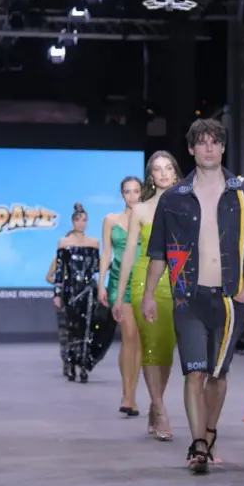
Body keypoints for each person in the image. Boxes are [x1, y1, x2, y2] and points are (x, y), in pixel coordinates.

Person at [142, 119, 244, 474]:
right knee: (194, 372)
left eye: (215, 141)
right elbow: (159, 253)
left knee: (218, 374)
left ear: (223, 147)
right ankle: (198, 444)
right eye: (202, 141)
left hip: (229, 298)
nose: (209, 147)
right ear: (191, 148)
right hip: (187, 297)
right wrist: (149, 294)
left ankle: (209, 433)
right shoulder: (174, 198)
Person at [113, 152, 182, 441]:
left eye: (168, 168)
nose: (163, 173)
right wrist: (120, 296)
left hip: (178, 280)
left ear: (175, 172)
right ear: (150, 176)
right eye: (157, 169)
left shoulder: (188, 205)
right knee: (152, 343)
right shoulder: (140, 210)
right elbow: (129, 253)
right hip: (145, 280)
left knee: (166, 346)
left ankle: (156, 403)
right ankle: (160, 407)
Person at [98, 176, 144, 417]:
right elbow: (106, 253)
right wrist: (101, 284)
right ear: (122, 194)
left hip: (142, 282)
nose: (132, 196)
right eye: (128, 191)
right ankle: (127, 394)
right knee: (129, 335)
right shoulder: (111, 220)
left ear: (142, 193)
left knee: (137, 340)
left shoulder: (147, 220)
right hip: (118, 282)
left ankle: (132, 395)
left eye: (136, 191)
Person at [53, 203, 114, 383]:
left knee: (88, 329)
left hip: (88, 292)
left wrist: (112, 264)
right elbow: (60, 271)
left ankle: (84, 367)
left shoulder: (93, 243)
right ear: (73, 222)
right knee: (72, 329)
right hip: (70, 291)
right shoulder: (64, 243)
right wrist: (57, 294)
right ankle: (71, 364)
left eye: (85, 220)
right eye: (79, 220)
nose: (82, 223)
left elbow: (95, 267)